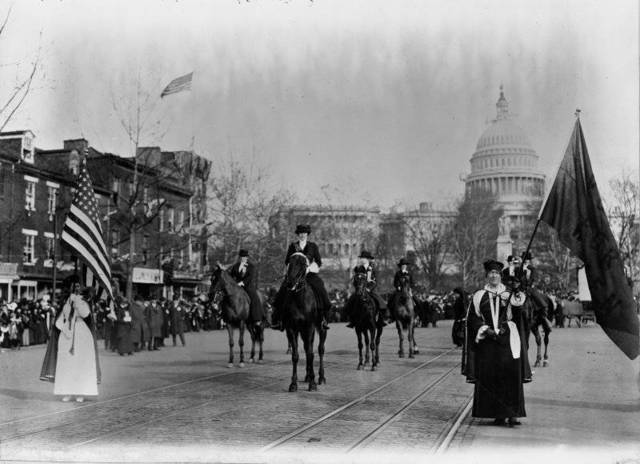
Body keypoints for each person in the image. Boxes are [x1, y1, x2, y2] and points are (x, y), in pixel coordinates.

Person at [463, 259, 526, 427]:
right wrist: (485, 329)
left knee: (510, 375)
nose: (493, 276)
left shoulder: (509, 294)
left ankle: (513, 414)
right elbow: (473, 318)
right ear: (486, 276)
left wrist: (517, 289)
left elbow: (519, 308)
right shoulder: (479, 296)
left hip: (507, 339)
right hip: (488, 339)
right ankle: (497, 414)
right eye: (491, 273)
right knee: (492, 376)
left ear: (500, 276)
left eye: (497, 273)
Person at [271, 224, 332, 331]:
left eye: (304, 233)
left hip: (310, 274)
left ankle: (323, 319)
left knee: (321, 290)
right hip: (295, 276)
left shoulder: (313, 246)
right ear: (298, 235)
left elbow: (318, 262)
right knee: (281, 292)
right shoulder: (293, 246)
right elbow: (287, 261)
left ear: (307, 235)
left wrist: (309, 269)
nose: (302, 235)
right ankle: (278, 320)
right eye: (300, 233)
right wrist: (291, 273)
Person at [52, 283, 99, 402]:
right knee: (67, 363)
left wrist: (77, 303)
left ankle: (80, 392)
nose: (77, 289)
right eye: (75, 287)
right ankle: (67, 391)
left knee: (80, 362)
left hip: (81, 332)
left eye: (79, 286)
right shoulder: (68, 301)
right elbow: (63, 315)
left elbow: (86, 314)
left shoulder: (84, 302)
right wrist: (63, 326)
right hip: (67, 332)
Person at [345, 250, 387, 328]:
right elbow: (356, 280)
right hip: (360, 290)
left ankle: (381, 320)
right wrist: (357, 288)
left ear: (367, 259)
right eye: (361, 258)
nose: (362, 259)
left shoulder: (372, 268)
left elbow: (374, 281)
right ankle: (352, 320)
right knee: (350, 301)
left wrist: (369, 289)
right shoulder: (359, 269)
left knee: (381, 303)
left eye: (363, 258)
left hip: (371, 290)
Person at [229, 249, 263, 327]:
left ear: (247, 258)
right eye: (241, 257)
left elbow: (250, 277)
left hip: (248, 286)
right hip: (237, 287)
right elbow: (232, 276)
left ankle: (257, 318)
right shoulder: (235, 266)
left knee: (254, 298)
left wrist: (242, 282)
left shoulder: (251, 266)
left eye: (244, 257)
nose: (242, 258)